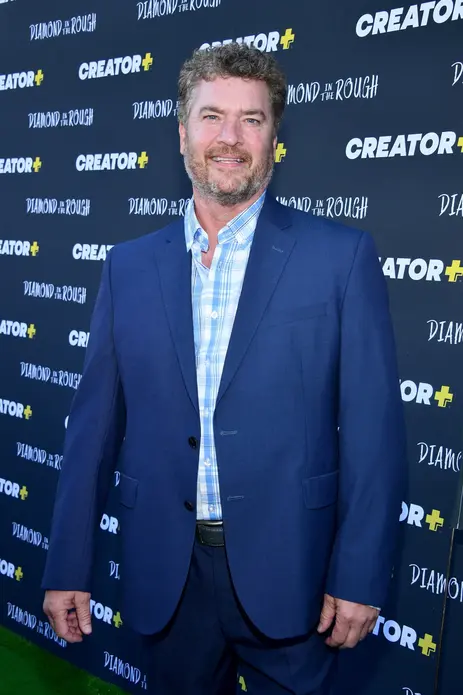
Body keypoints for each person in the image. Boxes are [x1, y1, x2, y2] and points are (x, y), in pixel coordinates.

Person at [41, 43, 407, 695]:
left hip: (294, 575)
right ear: (182, 134)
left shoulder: (340, 258)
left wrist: (359, 574)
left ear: (274, 139)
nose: (230, 138)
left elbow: (373, 435)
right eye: (211, 117)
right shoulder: (128, 267)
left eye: (251, 119)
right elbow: (91, 433)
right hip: (167, 576)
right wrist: (68, 563)